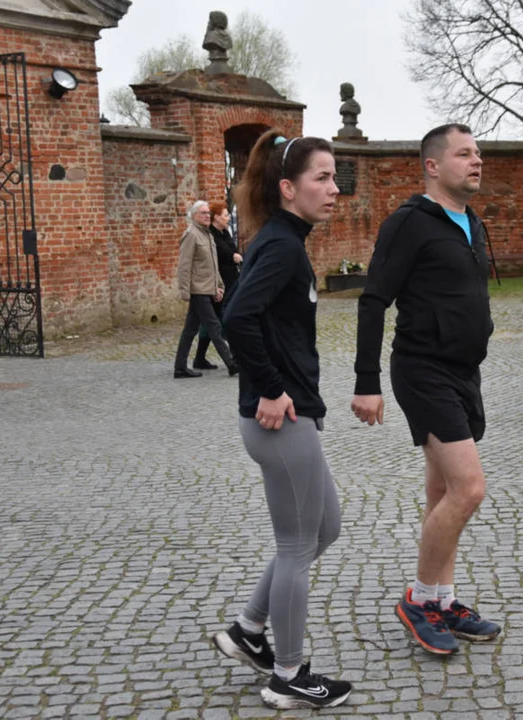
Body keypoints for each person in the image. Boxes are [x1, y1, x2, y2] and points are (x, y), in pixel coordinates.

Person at [212, 130, 351, 710]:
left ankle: (248, 630)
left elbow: (260, 319)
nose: (334, 189)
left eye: (334, 177)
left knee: (325, 528)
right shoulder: (282, 245)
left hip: (291, 415)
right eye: (322, 177)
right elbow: (238, 318)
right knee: (297, 545)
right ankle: (289, 675)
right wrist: (269, 389)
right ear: (289, 188)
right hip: (279, 418)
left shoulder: (283, 240)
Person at [351, 123, 502, 655]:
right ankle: (419, 600)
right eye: (464, 154)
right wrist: (366, 382)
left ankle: (443, 600)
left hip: (464, 372)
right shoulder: (409, 224)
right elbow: (373, 300)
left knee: (441, 492)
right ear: (433, 165)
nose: (476, 161)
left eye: (478, 153)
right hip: (422, 370)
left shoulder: (470, 223)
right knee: (469, 489)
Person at [172, 200, 236, 378]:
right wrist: (185, 291)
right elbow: (184, 265)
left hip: (208, 288)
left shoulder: (207, 235)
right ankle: (232, 363)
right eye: (203, 213)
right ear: (194, 216)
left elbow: (212, 265)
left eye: (208, 213)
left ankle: (180, 367)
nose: (207, 215)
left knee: (190, 330)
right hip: (198, 289)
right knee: (214, 326)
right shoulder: (191, 235)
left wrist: (218, 286)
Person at [193, 200, 242, 371]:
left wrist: (234, 256)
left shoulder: (224, 232)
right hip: (218, 284)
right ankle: (235, 358)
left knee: (210, 322)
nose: (228, 218)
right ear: (216, 218)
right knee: (224, 320)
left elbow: (233, 249)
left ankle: (199, 358)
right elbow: (222, 255)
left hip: (231, 281)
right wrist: (232, 257)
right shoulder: (210, 235)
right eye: (225, 215)